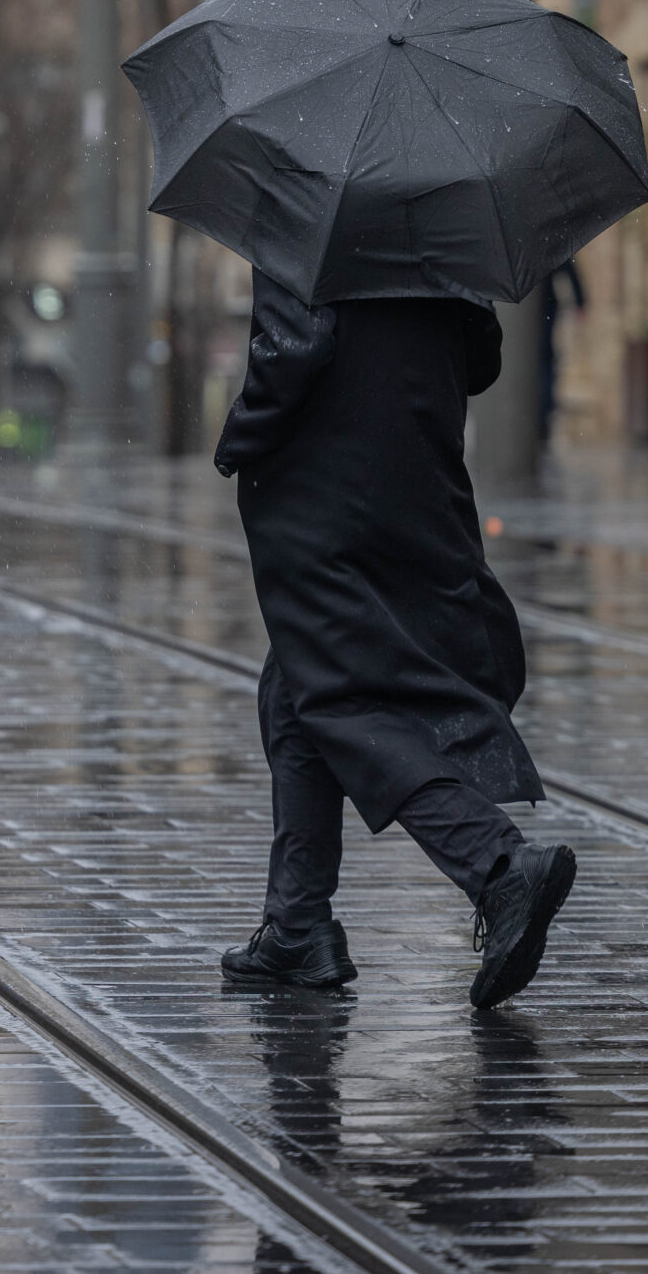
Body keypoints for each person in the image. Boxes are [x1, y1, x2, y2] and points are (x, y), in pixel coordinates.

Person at [214, 273, 576, 1009]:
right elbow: (482, 358)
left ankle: (497, 864)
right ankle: (296, 923)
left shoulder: (304, 194)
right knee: (300, 676)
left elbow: (295, 345)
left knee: (341, 697)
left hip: (323, 483)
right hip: (418, 471)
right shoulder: (435, 215)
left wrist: (242, 433)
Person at [536, 262, 586, 442]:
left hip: (542, 307)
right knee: (545, 361)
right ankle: (544, 410)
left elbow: (565, 263)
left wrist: (580, 299)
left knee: (545, 361)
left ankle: (543, 410)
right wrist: (580, 299)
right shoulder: (545, 236)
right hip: (544, 307)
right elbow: (566, 265)